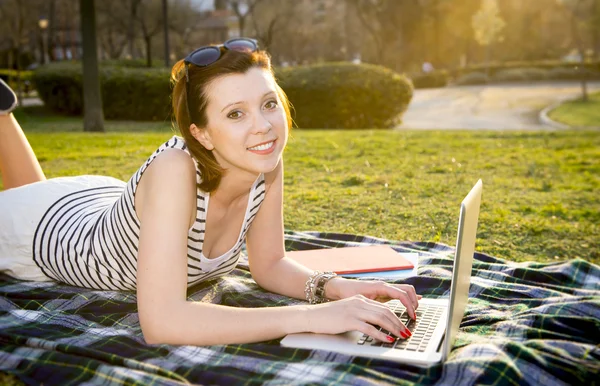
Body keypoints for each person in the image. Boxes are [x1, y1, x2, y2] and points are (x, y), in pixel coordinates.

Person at [0, 38, 420, 347]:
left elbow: (270, 264)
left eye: (269, 104)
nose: (263, 126)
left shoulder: (265, 165)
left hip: (96, 199)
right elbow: (162, 322)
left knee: (33, 189)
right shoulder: (174, 170)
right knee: (19, 202)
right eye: (235, 113)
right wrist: (315, 317)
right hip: (46, 230)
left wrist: (336, 289)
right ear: (201, 134)